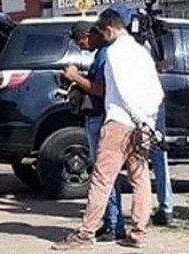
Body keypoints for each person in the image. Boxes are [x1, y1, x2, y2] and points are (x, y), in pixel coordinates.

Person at [53, 9, 164, 250]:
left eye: (103, 32)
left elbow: (121, 90)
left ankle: (85, 233)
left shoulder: (114, 52)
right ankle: (139, 233)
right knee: (140, 178)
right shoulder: (141, 51)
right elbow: (157, 91)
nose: (102, 37)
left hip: (120, 122)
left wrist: (135, 117)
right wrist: (147, 122)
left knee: (102, 179)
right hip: (144, 124)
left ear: (110, 29)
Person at [107, 3, 175, 226]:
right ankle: (163, 207)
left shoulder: (122, 48)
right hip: (150, 106)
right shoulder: (145, 43)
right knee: (151, 159)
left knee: (132, 167)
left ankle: (141, 217)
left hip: (133, 111)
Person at [61, 22, 126, 242]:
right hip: (98, 118)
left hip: (100, 118)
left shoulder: (105, 54)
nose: (81, 47)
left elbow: (100, 89)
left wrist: (75, 77)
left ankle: (114, 224)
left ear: (89, 35)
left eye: (80, 42)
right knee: (106, 174)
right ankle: (112, 222)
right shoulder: (102, 53)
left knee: (104, 174)